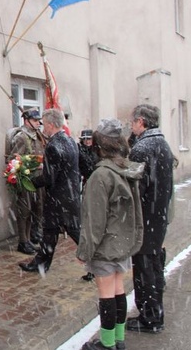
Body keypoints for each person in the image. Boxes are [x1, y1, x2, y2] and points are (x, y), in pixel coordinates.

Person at [77, 119, 144, 350]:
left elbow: (94, 221)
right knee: (118, 291)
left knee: (106, 294)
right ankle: (118, 339)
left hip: (106, 244)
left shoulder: (102, 175)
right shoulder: (126, 168)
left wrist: (85, 251)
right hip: (122, 241)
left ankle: (107, 344)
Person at [126, 104, 175, 334]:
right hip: (158, 216)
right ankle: (155, 313)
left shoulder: (142, 148)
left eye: (133, 122)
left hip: (145, 218)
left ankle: (150, 318)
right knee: (154, 268)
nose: (131, 125)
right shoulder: (162, 143)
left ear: (141, 122)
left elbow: (136, 190)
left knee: (145, 270)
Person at [19, 109, 81, 273]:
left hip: (58, 199)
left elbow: (49, 178)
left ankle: (96, 262)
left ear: (52, 125)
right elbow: (64, 167)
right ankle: (40, 264)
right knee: (50, 232)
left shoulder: (53, 145)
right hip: (71, 195)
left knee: (75, 233)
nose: (42, 126)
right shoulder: (70, 140)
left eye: (44, 124)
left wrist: (30, 182)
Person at [8, 108, 45, 255]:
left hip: (37, 178)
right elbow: (14, 158)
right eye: (35, 121)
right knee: (24, 210)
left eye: (38, 121)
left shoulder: (37, 136)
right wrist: (31, 164)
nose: (38, 123)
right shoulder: (21, 137)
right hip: (26, 179)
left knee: (35, 209)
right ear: (26, 120)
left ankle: (29, 239)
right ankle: (23, 241)